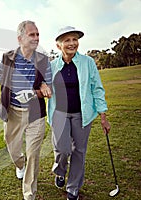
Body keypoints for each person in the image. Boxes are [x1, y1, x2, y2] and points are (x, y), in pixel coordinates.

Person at [0, 20, 52, 200]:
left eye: (37, 34)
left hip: (35, 114)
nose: (36, 38)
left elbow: (48, 89)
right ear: (20, 38)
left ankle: (29, 194)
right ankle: (19, 165)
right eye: (32, 34)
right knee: (14, 151)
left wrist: (39, 91)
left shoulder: (44, 60)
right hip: (12, 112)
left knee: (33, 154)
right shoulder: (7, 58)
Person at [47, 26, 111, 200]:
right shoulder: (51, 66)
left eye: (74, 39)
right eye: (67, 40)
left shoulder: (88, 62)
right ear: (59, 45)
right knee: (62, 149)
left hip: (82, 114)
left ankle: (73, 187)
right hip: (59, 113)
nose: (72, 43)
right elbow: (42, 85)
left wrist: (103, 116)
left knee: (79, 152)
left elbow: (97, 89)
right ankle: (60, 172)